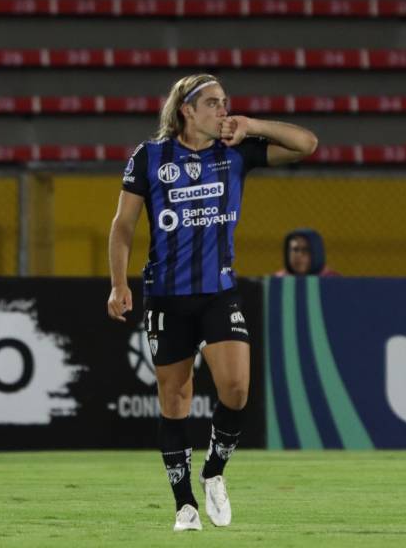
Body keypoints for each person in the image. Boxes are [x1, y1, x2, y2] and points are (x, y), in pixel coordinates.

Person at [106, 73, 317, 532]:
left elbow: (307, 144)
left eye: (225, 102)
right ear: (187, 110)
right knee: (175, 398)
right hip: (166, 295)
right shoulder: (149, 157)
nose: (223, 109)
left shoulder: (235, 150)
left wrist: (252, 124)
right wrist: (118, 283)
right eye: (214, 103)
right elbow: (123, 225)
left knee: (236, 389)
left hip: (218, 292)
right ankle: (184, 505)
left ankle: (214, 472)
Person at [274, 228, 340, 277]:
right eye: (295, 250)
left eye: (305, 250)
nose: (299, 255)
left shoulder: (333, 281)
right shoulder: (278, 280)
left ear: (317, 253)